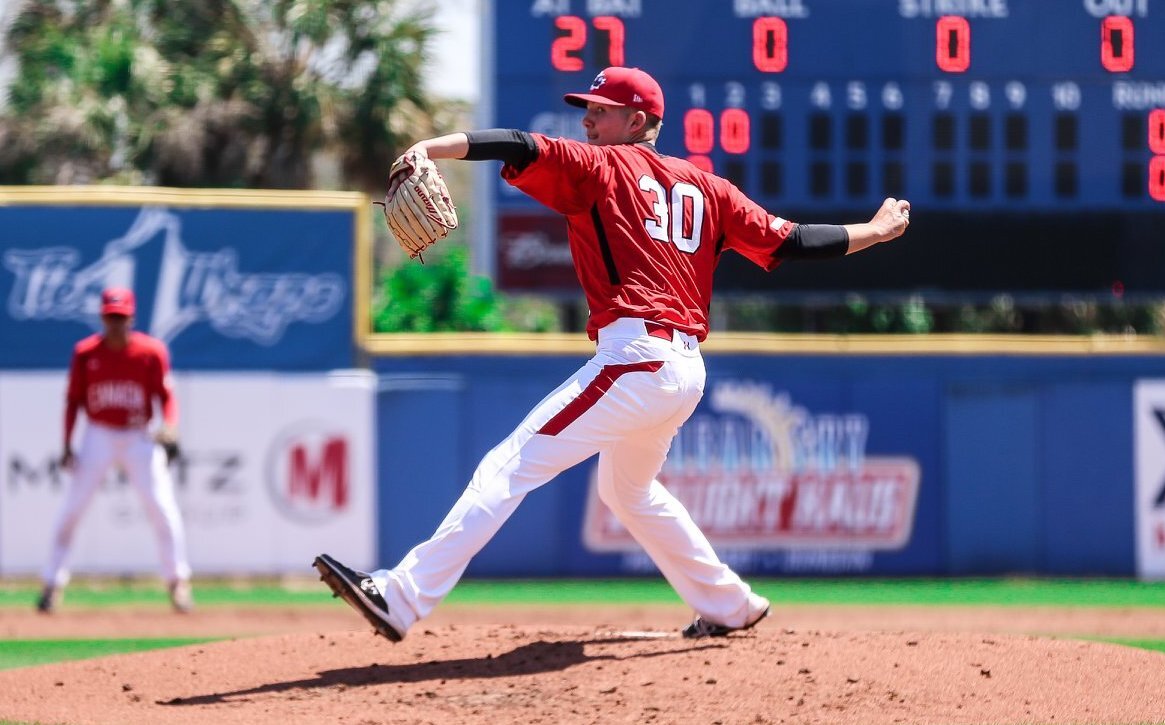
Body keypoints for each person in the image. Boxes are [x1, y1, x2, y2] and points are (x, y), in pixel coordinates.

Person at [315, 66, 911, 640]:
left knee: (509, 463)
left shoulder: (600, 166)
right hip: (683, 371)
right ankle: (731, 605)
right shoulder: (709, 188)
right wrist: (876, 232)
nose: (587, 121)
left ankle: (401, 596)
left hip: (637, 359)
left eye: (600, 111)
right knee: (628, 492)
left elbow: (518, 144)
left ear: (637, 120)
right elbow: (794, 240)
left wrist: (430, 147)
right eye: (588, 110)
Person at [37, 287, 193, 614]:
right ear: (102, 317)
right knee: (72, 510)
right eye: (111, 317)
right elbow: (73, 402)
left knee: (163, 509)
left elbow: (167, 396)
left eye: (121, 318)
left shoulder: (151, 352)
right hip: (99, 434)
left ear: (132, 318)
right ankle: (52, 584)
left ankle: (178, 583)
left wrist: (171, 424)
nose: (116, 324)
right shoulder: (86, 353)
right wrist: (66, 444)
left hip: (139, 434)